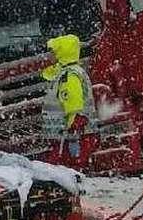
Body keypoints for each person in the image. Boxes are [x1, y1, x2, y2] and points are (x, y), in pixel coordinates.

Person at [41, 34, 99, 171]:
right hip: (70, 136)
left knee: (69, 170)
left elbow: (74, 106)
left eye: (52, 52)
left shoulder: (69, 76)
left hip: (70, 137)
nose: (49, 56)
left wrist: (72, 130)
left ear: (62, 53)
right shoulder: (68, 73)